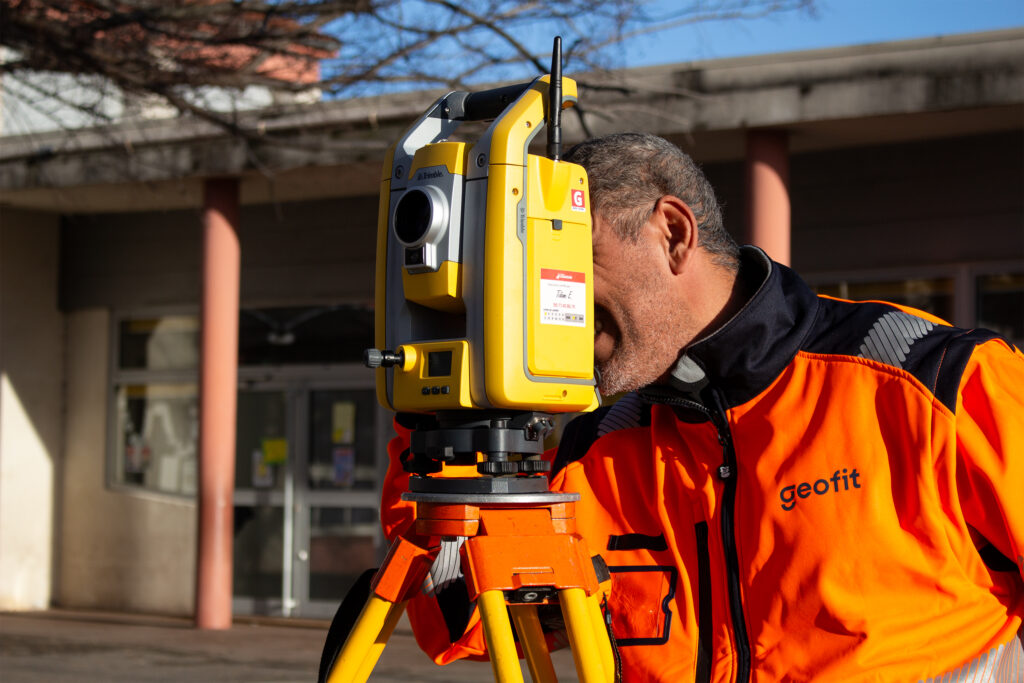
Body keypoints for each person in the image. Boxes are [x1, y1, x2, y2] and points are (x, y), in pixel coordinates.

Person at [376, 132, 1024, 681]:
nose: (557, 307)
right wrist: (440, 422)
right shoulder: (597, 451)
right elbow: (457, 619)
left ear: (674, 233)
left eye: (569, 268)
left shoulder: (940, 384)